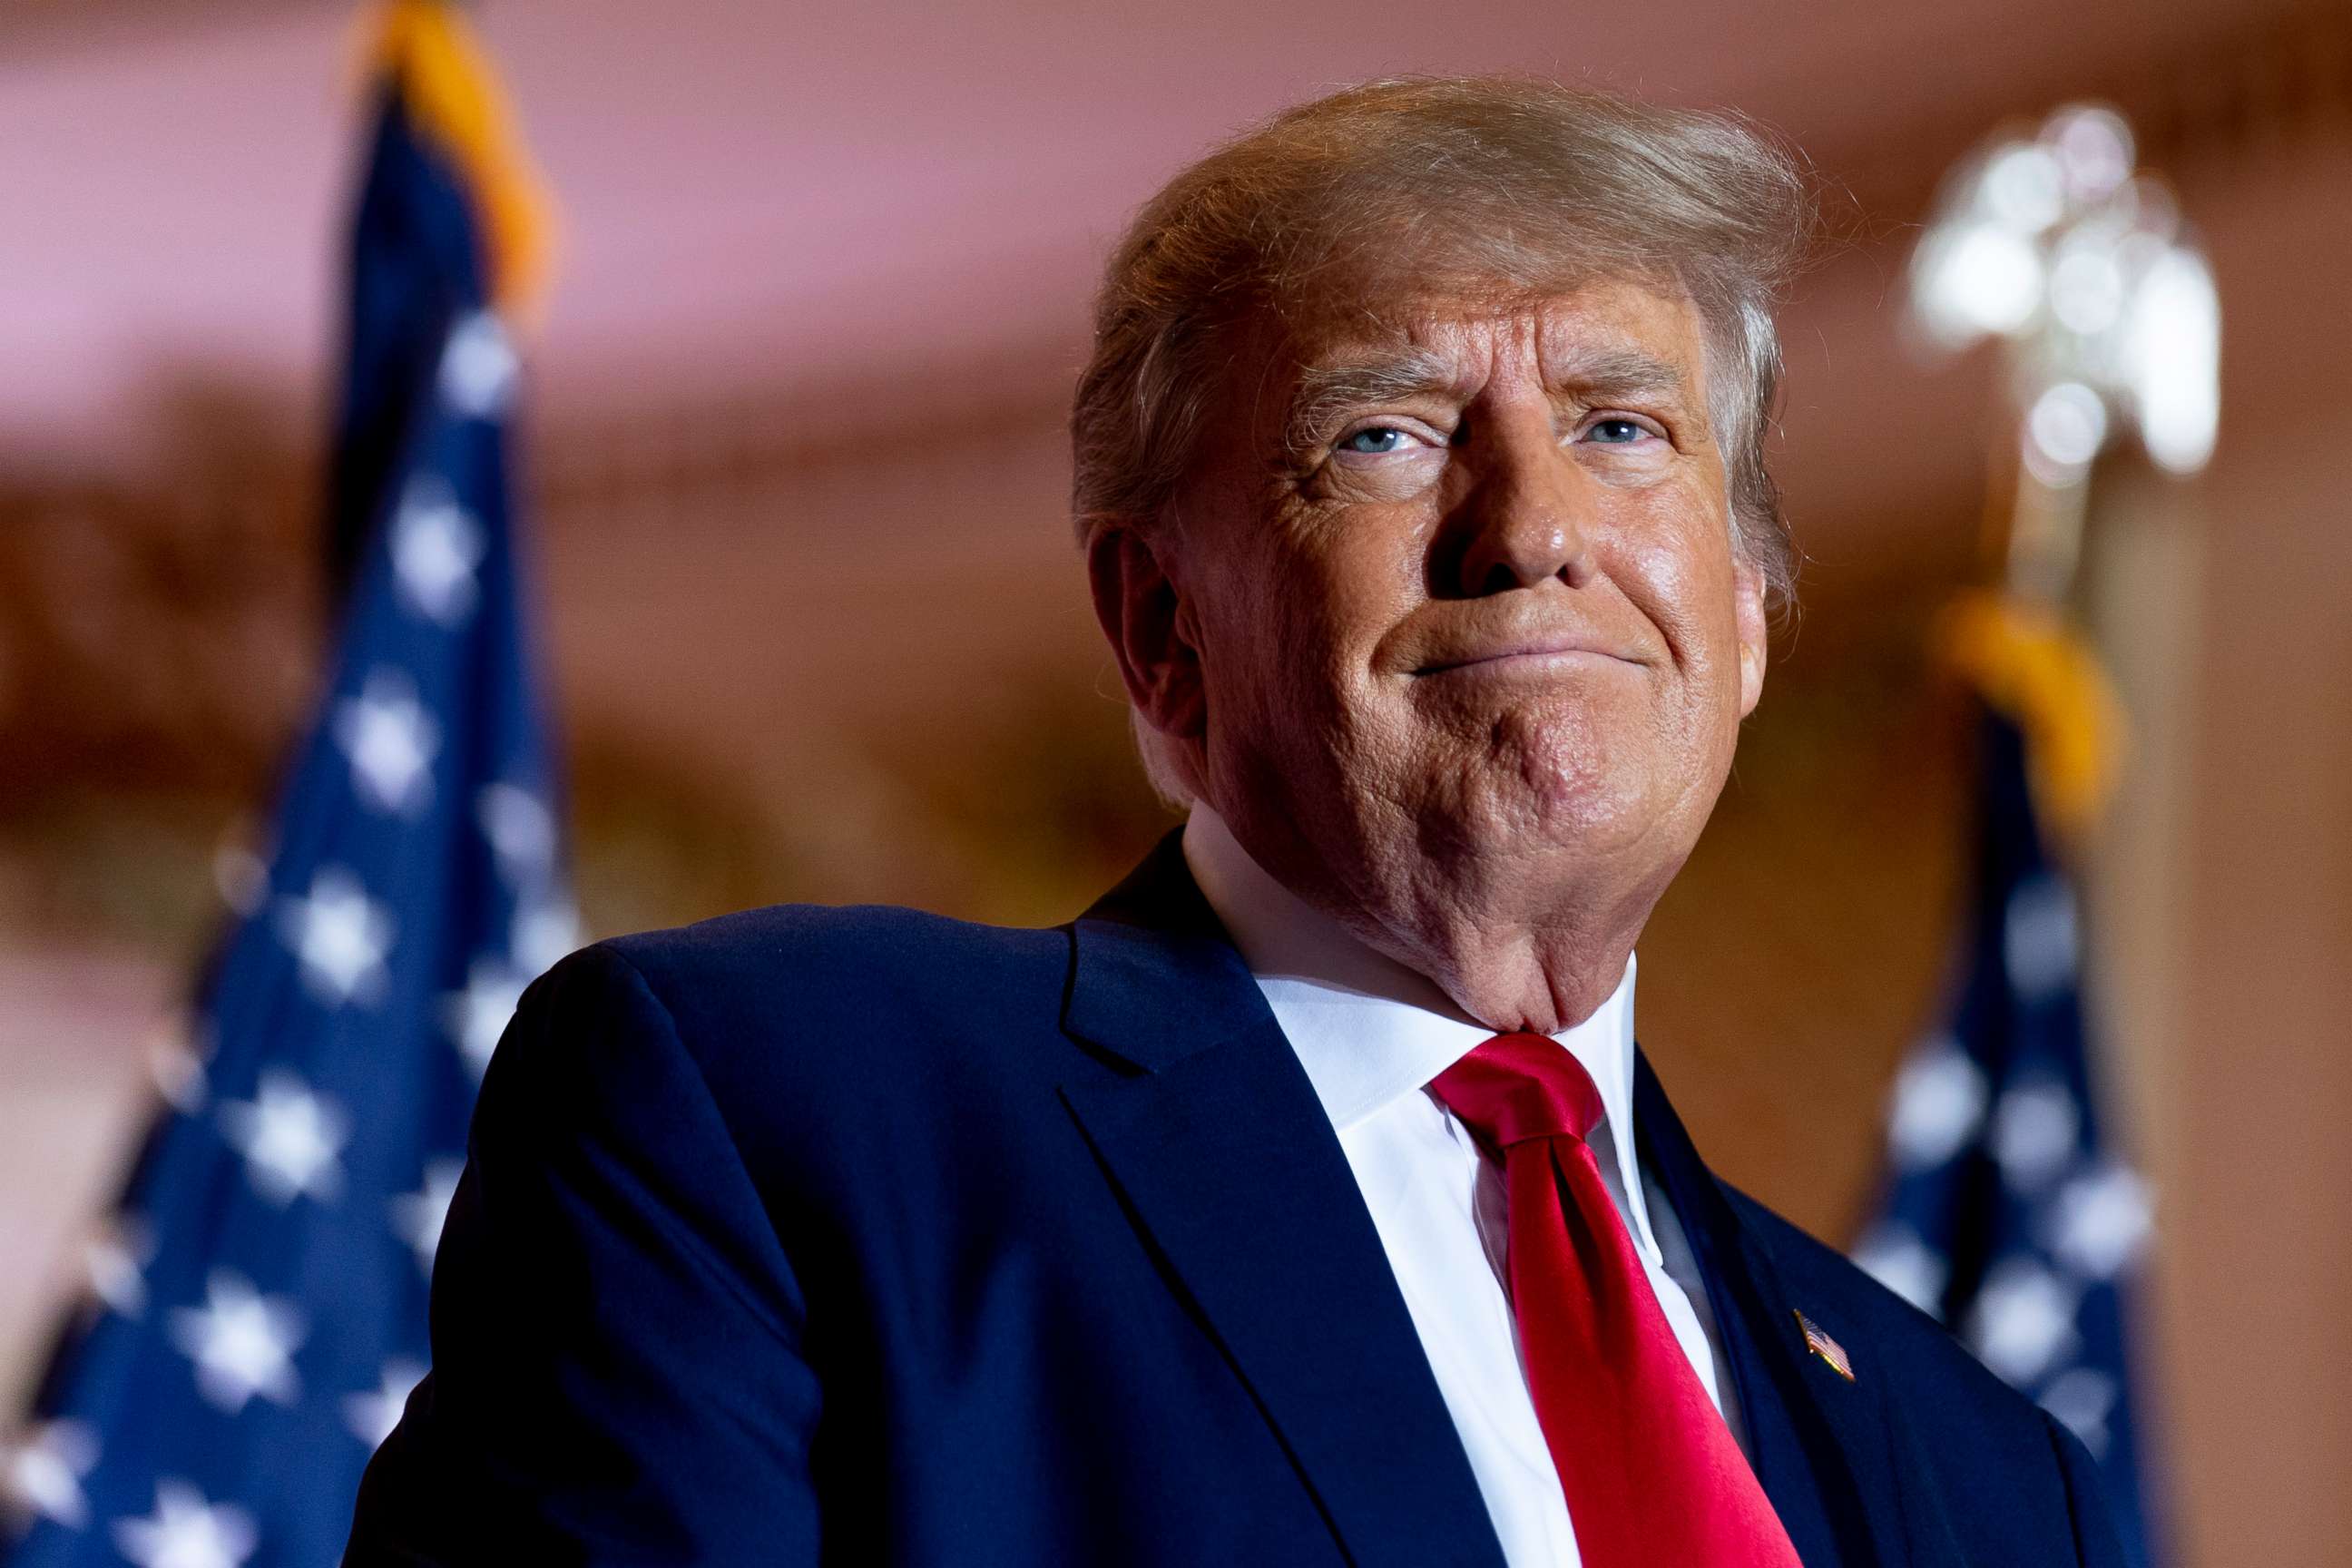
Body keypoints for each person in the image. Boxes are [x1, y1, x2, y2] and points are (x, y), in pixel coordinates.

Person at [345, 77, 2129, 1566]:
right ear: (1160, 628)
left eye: (1622, 425)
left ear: (1744, 615)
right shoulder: (774, 1118)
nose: (1531, 527)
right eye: (1386, 437)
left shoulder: (1980, 1472)